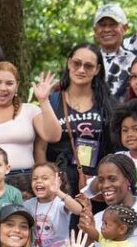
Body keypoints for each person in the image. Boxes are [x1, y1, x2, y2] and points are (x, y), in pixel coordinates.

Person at [0, 62, 60, 195]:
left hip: (23, 181)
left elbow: (53, 136)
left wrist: (44, 101)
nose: (3, 88)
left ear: (17, 86)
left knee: (20, 217)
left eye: (9, 83)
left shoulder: (30, 111)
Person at [39, 44, 115, 196]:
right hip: (60, 184)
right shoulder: (52, 102)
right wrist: (45, 180)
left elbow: (113, 147)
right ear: (69, 63)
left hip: (98, 184)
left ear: (97, 69)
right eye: (76, 63)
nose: (81, 70)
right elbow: (40, 148)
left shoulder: (108, 104)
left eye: (88, 66)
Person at [24, 162, 83, 247]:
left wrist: (58, 192)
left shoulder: (60, 203)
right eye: (35, 178)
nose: (38, 181)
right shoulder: (28, 204)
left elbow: (78, 210)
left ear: (57, 181)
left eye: (44, 178)